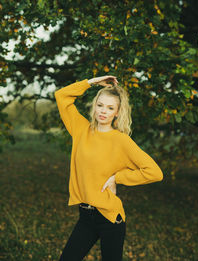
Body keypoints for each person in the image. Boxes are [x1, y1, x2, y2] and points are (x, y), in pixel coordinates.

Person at [54, 75, 163, 261]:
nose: (103, 111)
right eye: (100, 105)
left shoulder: (121, 141)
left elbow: (155, 172)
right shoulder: (81, 130)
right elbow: (62, 96)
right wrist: (91, 82)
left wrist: (118, 178)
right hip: (86, 216)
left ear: (117, 113)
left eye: (110, 108)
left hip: (110, 218)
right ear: (94, 106)